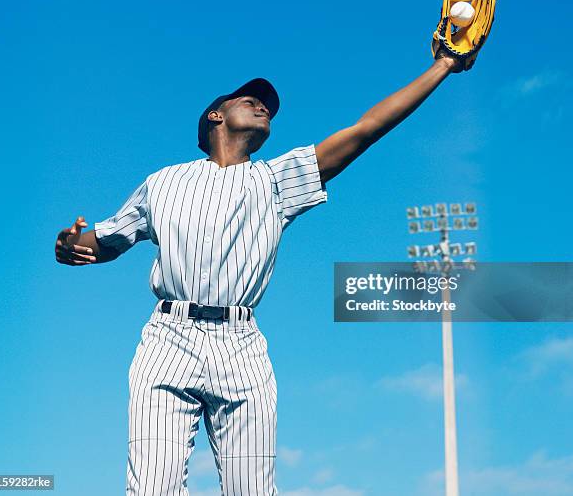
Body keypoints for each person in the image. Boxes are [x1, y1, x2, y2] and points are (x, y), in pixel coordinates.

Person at [55, 53, 460, 495]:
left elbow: (365, 130)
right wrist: (69, 244)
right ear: (216, 115)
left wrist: (442, 66)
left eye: (268, 105)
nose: (264, 105)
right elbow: (105, 239)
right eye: (250, 98)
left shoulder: (275, 181)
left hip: (241, 346)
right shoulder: (163, 182)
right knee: (152, 488)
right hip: (168, 338)